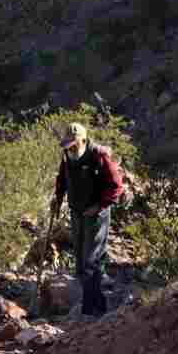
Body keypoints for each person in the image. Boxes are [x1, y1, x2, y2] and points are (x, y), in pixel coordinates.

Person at [48, 121, 123, 318]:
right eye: (68, 144)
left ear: (83, 140)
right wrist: (57, 198)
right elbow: (62, 178)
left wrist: (99, 206)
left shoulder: (99, 155)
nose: (70, 147)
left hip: (96, 216)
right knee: (81, 263)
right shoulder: (68, 155)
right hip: (77, 213)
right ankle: (95, 307)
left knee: (91, 261)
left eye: (73, 144)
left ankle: (92, 311)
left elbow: (116, 186)